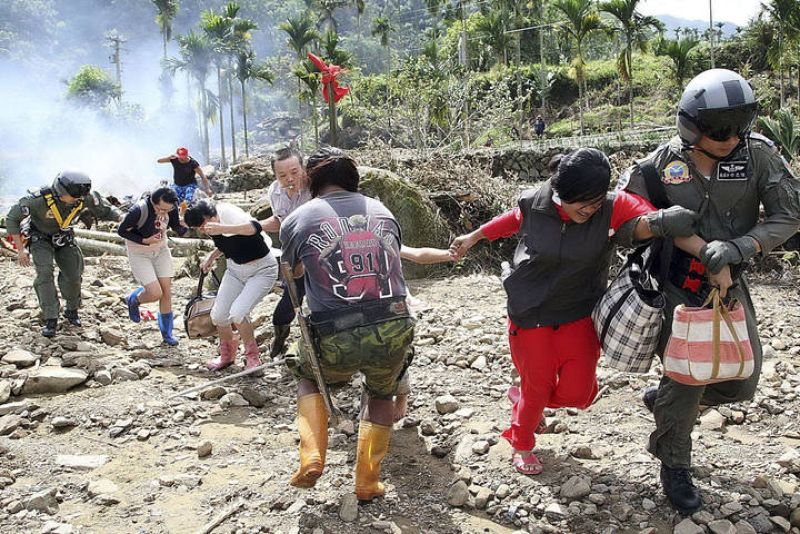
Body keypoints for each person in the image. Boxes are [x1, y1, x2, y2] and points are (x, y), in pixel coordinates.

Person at [450, 148, 699, 476]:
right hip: (531, 313)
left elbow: (644, 216)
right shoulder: (535, 202)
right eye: (582, 203)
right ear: (560, 193)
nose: (591, 209)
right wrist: (473, 236)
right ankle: (522, 441)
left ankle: (523, 399)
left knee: (580, 394)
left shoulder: (610, 206)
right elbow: (512, 220)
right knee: (538, 384)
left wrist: (668, 225)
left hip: (580, 313)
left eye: (596, 202)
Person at [618, 69, 800, 515]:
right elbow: (622, 223)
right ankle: (674, 464)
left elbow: (789, 215)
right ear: (691, 124)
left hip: (728, 285)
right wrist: (661, 224)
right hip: (674, 285)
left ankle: (666, 405)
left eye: (740, 124)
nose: (731, 137)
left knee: (741, 380)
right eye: (720, 127)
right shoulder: (659, 164)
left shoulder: (759, 157)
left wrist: (742, 246)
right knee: (686, 379)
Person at [279, 147, 415, 501]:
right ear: (353, 180)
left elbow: (290, 277)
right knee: (381, 392)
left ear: (310, 180)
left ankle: (311, 455)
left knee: (306, 373)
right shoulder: (383, 211)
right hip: (394, 325)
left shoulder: (298, 218)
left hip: (335, 334)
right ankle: (367, 482)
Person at [5, 171, 123, 337]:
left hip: (64, 238)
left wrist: (122, 217)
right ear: (61, 190)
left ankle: (72, 310)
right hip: (40, 239)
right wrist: (20, 249)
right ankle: (50, 317)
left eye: (81, 197)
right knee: (45, 273)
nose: (78, 200)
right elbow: (12, 218)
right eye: (74, 196)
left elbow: (105, 210)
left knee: (74, 274)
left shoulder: (82, 197)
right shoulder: (37, 200)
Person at [184, 199, 278, 371]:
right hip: (235, 270)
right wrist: (212, 256)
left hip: (262, 270)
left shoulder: (227, 212)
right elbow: (227, 244)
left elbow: (252, 228)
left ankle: (252, 356)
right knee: (219, 315)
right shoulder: (211, 226)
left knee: (238, 312)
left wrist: (222, 228)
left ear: (210, 215)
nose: (202, 230)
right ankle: (227, 355)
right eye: (198, 229)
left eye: (202, 225)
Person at [117, 187, 188, 346]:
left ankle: (167, 334)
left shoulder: (171, 207)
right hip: (139, 252)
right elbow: (121, 231)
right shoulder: (139, 210)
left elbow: (176, 225)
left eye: (167, 209)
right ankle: (134, 299)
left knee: (166, 292)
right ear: (152, 202)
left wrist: (188, 225)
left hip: (161, 250)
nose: (163, 212)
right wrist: (145, 240)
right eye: (160, 209)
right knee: (155, 293)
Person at [260, 147, 313, 358]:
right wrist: (253, 226)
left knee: (323, 302)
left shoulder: (315, 186)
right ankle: (280, 338)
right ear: (275, 176)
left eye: (294, 171)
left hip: (320, 252)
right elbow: (279, 221)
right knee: (288, 303)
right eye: (282, 175)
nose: (290, 178)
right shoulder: (275, 191)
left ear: (303, 168)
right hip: (293, 252)